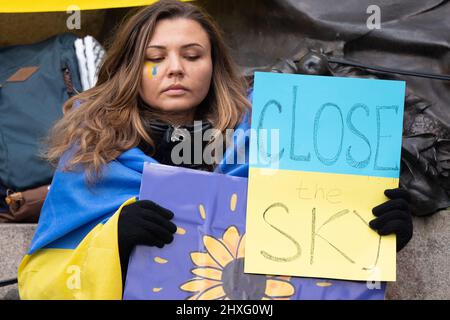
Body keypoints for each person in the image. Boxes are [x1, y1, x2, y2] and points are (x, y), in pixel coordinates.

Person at [17, 0, 412, 300]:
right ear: (130, 69)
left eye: (192, 55)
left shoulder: (274, 142)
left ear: (213, 65)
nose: (175, 68)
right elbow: (42, 281)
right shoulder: (92, 155)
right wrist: (113, 243)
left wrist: (375, 232)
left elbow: (319, 250)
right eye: (154, 58)